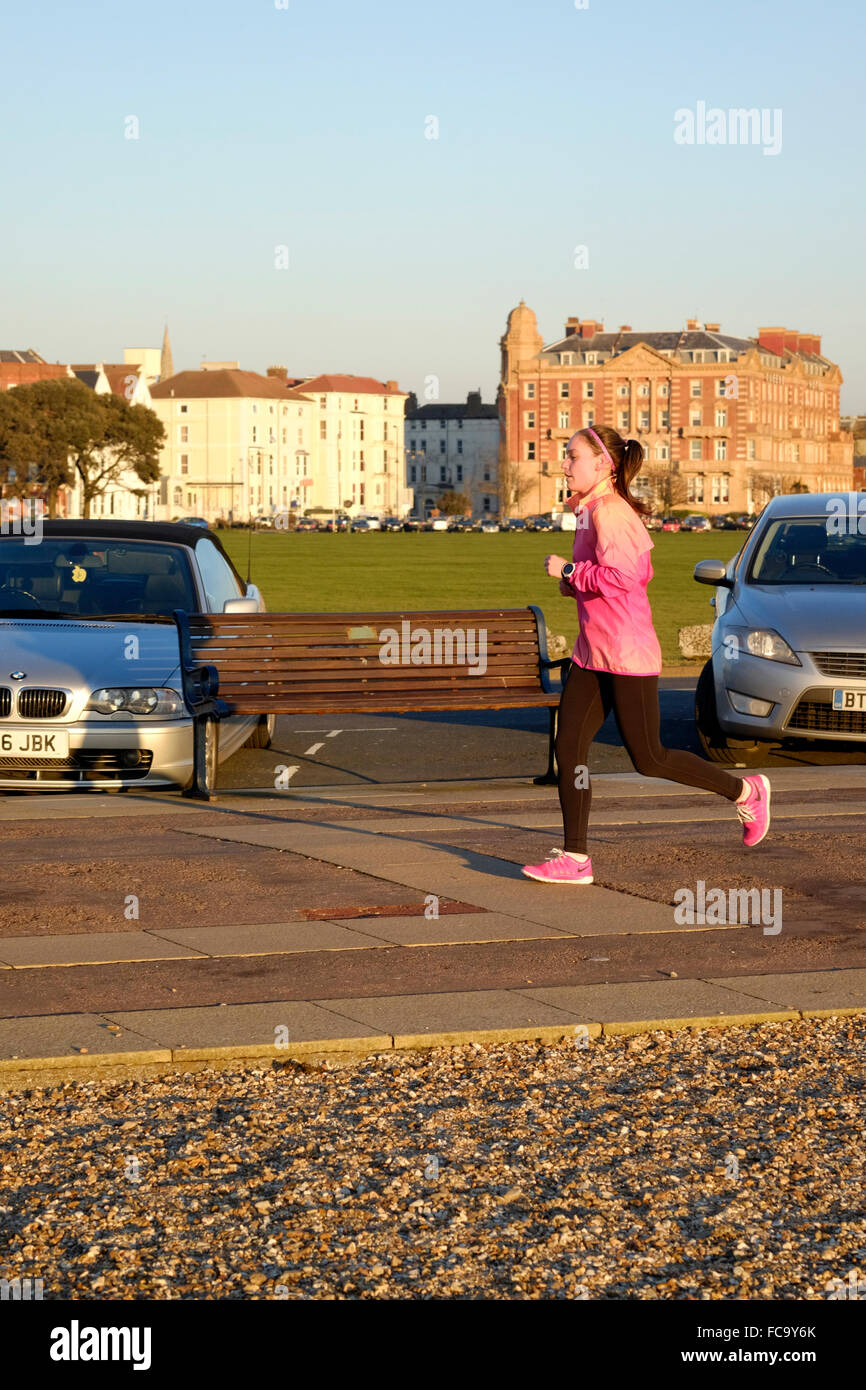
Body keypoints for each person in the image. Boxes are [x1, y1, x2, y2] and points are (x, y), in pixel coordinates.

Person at [521, 425, 770, 885]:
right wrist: (574, 582)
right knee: (569, 747)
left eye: (572, 456)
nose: (564, 463)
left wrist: (573, 569)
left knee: (649, 757)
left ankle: (745, 791)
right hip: (592, 654)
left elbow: (626, 578)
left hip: (627, 654)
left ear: (602, 465)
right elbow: (609, 577)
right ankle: (576, 858)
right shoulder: (590, 510)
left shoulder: (611, 512)